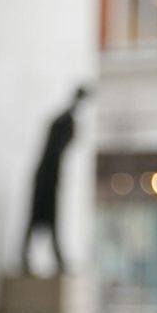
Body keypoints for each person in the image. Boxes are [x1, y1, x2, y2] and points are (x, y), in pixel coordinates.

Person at [22, 85, 90, 277]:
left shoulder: (66, 120)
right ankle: (39, 257)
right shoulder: (64, 121)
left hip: (49, 176)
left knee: (44, 220)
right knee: (42, 219)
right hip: (47, 178)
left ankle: (51, 258)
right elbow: (53, 152)